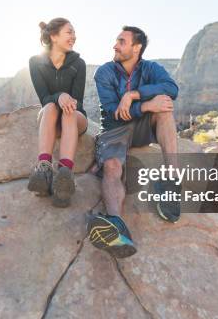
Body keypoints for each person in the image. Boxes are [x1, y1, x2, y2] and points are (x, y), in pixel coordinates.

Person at [87, 26, 180, 258]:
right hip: (114, 130)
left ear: (136, 48)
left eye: (121, 41)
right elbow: (112, 111)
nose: (115, 45)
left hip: (140, 129)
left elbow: (171, 88)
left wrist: (132, 95)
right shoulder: (105, 72)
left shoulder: (151, 68)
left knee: (165, 108)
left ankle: (171, 182)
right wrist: (147, 105)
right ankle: (116, 226)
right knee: (112, 167)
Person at [27, 18, 88, 208]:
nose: (74, 37)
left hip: (74, 118)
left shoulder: (79, 64)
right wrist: (59, 95)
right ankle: (44, 169)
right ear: (54, 36)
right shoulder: (35, 62)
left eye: (74, 33)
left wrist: (66, 98)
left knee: (69, 110)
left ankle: (64, 175)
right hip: (50, 117)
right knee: (51, 107)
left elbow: (77, 101)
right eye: (69, 32)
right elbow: (44, 98)